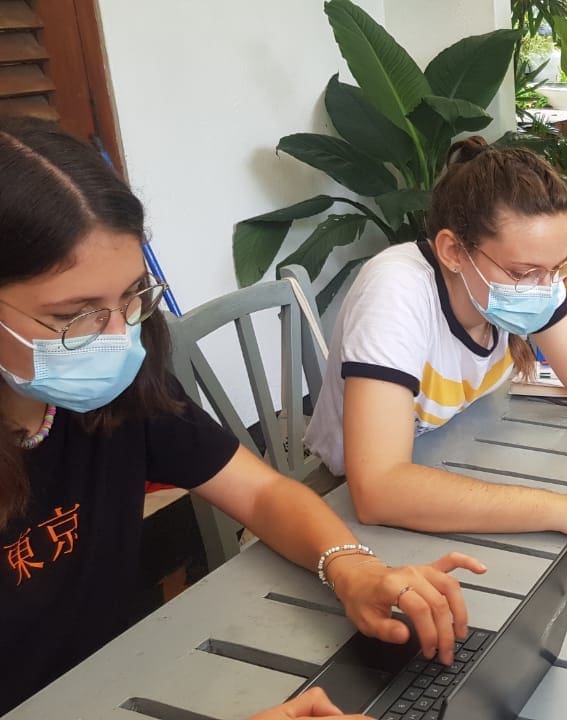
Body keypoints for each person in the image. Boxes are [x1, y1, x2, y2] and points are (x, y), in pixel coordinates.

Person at [0, 117, 480, 718]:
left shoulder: (123, 393)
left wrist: (353, 569)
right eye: (75, 315)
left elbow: (259, 495)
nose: (118, 335)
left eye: (131, 296)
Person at [304, 138, 567, 541]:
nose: (545, 286)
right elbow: (380, 489)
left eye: (556, 268)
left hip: (455, 455)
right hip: (342, 504)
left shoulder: (526, 280)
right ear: (453, 250)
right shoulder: (395, 291)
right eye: (522, 273)